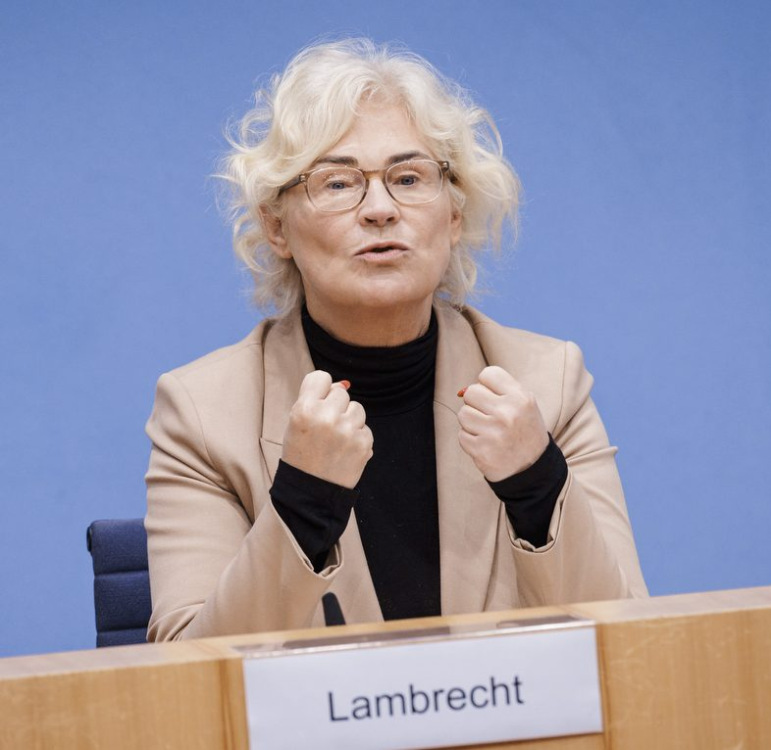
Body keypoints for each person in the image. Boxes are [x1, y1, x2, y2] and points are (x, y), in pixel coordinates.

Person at [144, 38, 647, 642]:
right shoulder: (203, 413)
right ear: (277, 227)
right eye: (337, 183)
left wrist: (536, 484)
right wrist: (304, 500)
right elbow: (187, 675)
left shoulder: (549, 383)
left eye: (408, 178)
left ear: (453, 216)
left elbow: (632, 642)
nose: (380, 209)